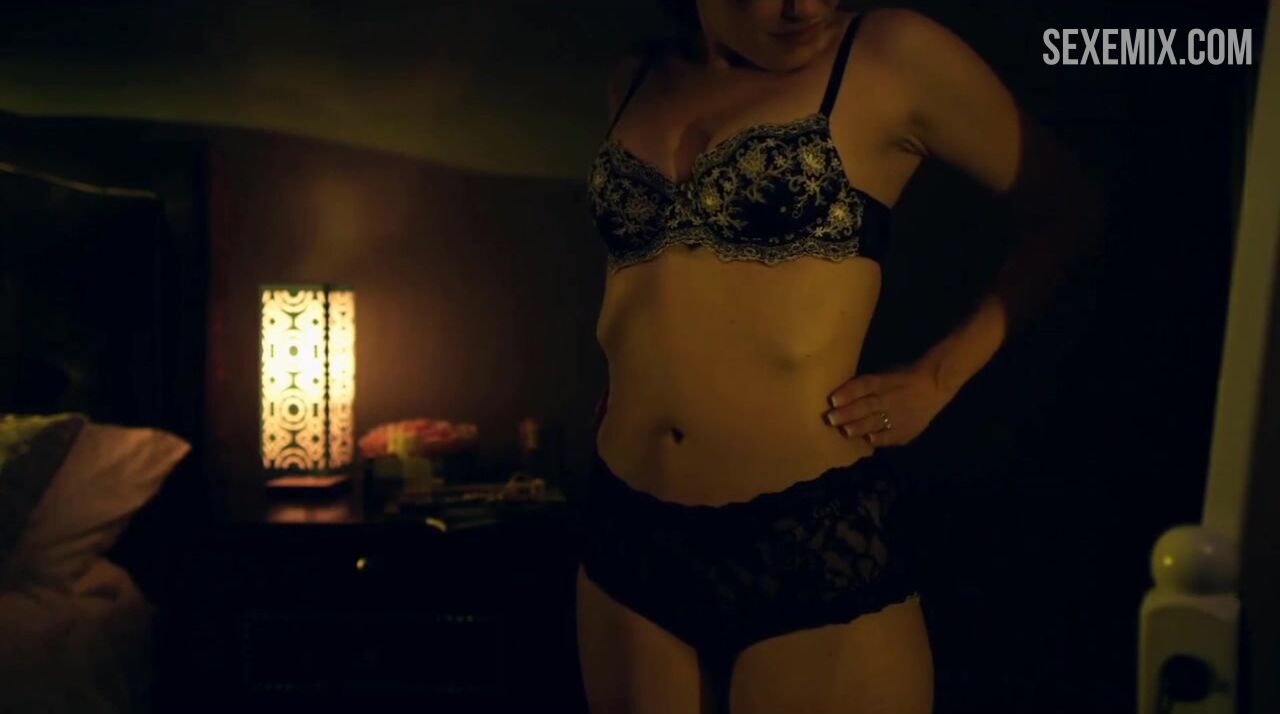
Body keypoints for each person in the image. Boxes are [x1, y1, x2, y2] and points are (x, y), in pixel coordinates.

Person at [575, 1, 1103, 712]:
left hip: (806, 538)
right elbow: (650, 276)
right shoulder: (635, 77)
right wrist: (641, 369)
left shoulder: (891, 54)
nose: (808, 6)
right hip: (626, 525)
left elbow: (1066, 207)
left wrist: (938, 378)